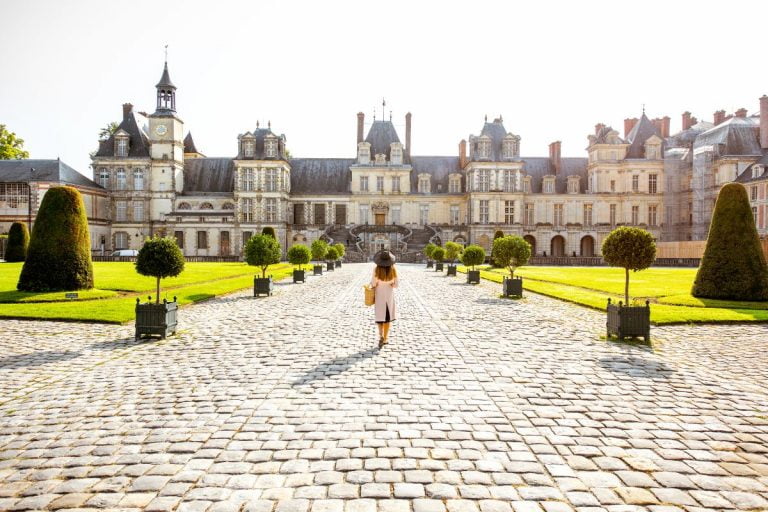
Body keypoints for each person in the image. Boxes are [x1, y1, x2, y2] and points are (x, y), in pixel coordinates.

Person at [370, 250, 398, 347]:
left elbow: (373, 284)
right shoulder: (393, 269)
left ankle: (381, 335)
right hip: (389, 297)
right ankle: (385, 338)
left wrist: (378, 283)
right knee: (387, 318)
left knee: (380, 318)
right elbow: (396, 285)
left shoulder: (376, 269)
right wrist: (390, 283)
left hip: (379, 296)